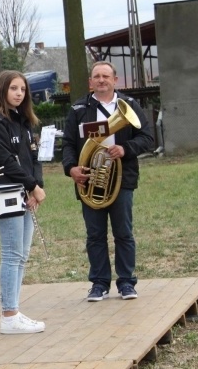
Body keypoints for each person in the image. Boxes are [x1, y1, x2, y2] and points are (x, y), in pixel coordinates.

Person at [61, 61, 153, 302]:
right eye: (96, 76)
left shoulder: (129, 104)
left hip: (121, 178)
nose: (101, 80)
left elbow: (147, 137)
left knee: (123, 232)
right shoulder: (78, 108)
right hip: (89, 178)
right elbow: (68, 143)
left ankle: (126, 282)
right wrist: (71, 169)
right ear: (90, 81)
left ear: (115, 80)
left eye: (106, 76)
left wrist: (125, 148)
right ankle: (99, 283)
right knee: (95, 235)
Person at [0, 71, 46, 334]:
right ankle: (9, 315)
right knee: (12, 253)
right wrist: (32, 185)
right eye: (13, 88)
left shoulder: (24, 120)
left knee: (22, 255)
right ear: (2, 90)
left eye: (23, 89)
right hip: (7, 192)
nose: (19, 93)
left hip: (26, 191)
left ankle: (15, 311)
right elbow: (6, 161)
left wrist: (36, 185)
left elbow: (34, 156)